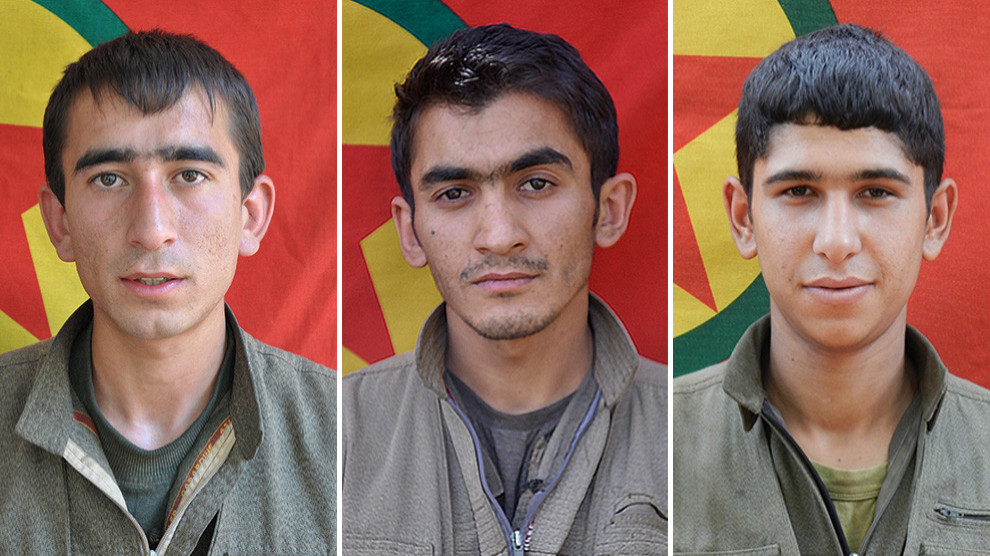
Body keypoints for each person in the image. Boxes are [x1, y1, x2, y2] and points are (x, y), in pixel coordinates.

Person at [0, 31, 335, 554]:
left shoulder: (344, 436)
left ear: (251, 215)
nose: (152, 230)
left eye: (190, 175)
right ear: (59, 221)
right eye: (109, 179)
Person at [342, 23, 666, 555]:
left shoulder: (693, 437)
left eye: (536, 183)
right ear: (410, 231)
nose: (498, 236)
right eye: (454, 193)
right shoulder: (334, 437)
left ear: (608, 210)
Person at [673, 24, 990, 554]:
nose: (837, 242)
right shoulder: (664, 447)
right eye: (799, 190)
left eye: (875, 192)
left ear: (934, 219)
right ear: (743, 217)